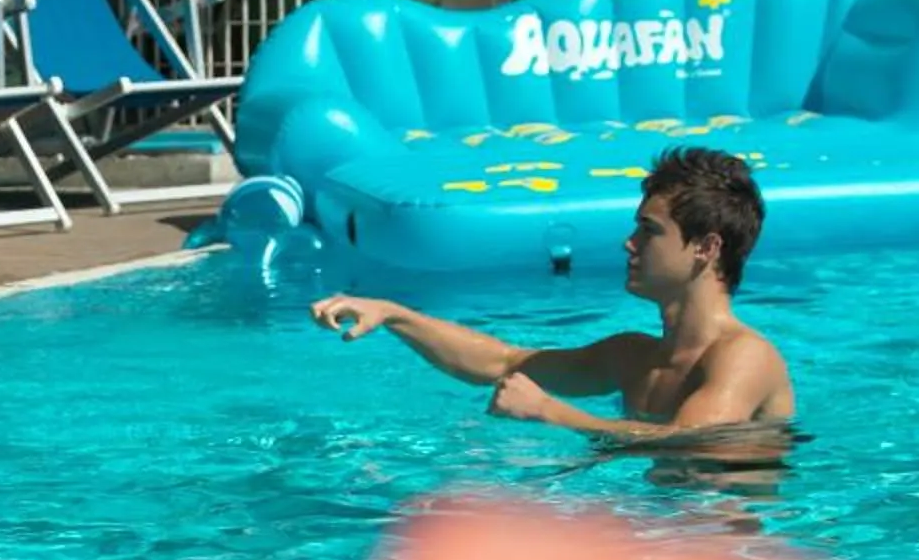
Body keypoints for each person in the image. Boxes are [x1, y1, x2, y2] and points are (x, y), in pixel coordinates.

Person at [307, 147, 795, 444]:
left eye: (649, 231)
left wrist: (551, 413)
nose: (630, 243)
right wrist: (393, 314)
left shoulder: (744, 356)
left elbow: (692, 442)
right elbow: (502, 363)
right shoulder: (633, 356)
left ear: (706, 249)